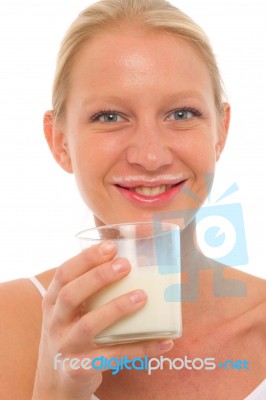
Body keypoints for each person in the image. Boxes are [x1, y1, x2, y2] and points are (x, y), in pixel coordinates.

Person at [0, 0, 265, 399]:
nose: (151, 156)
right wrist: (57, 390)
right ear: (60, 142)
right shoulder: (8, 324)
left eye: (180, 114)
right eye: (109, 117)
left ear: (220, 131)